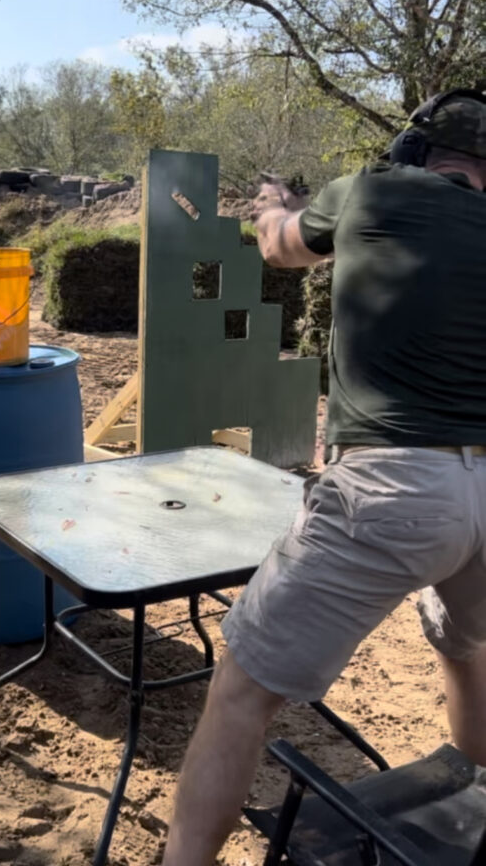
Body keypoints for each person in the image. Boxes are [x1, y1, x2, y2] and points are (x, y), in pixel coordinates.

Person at [162, 90, 486, 866]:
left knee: (240, 694)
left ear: (415, 153)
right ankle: (474, 789)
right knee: (467, 643)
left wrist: (279, 205)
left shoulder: (370, 190)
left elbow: (280, 247)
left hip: (391, 485)